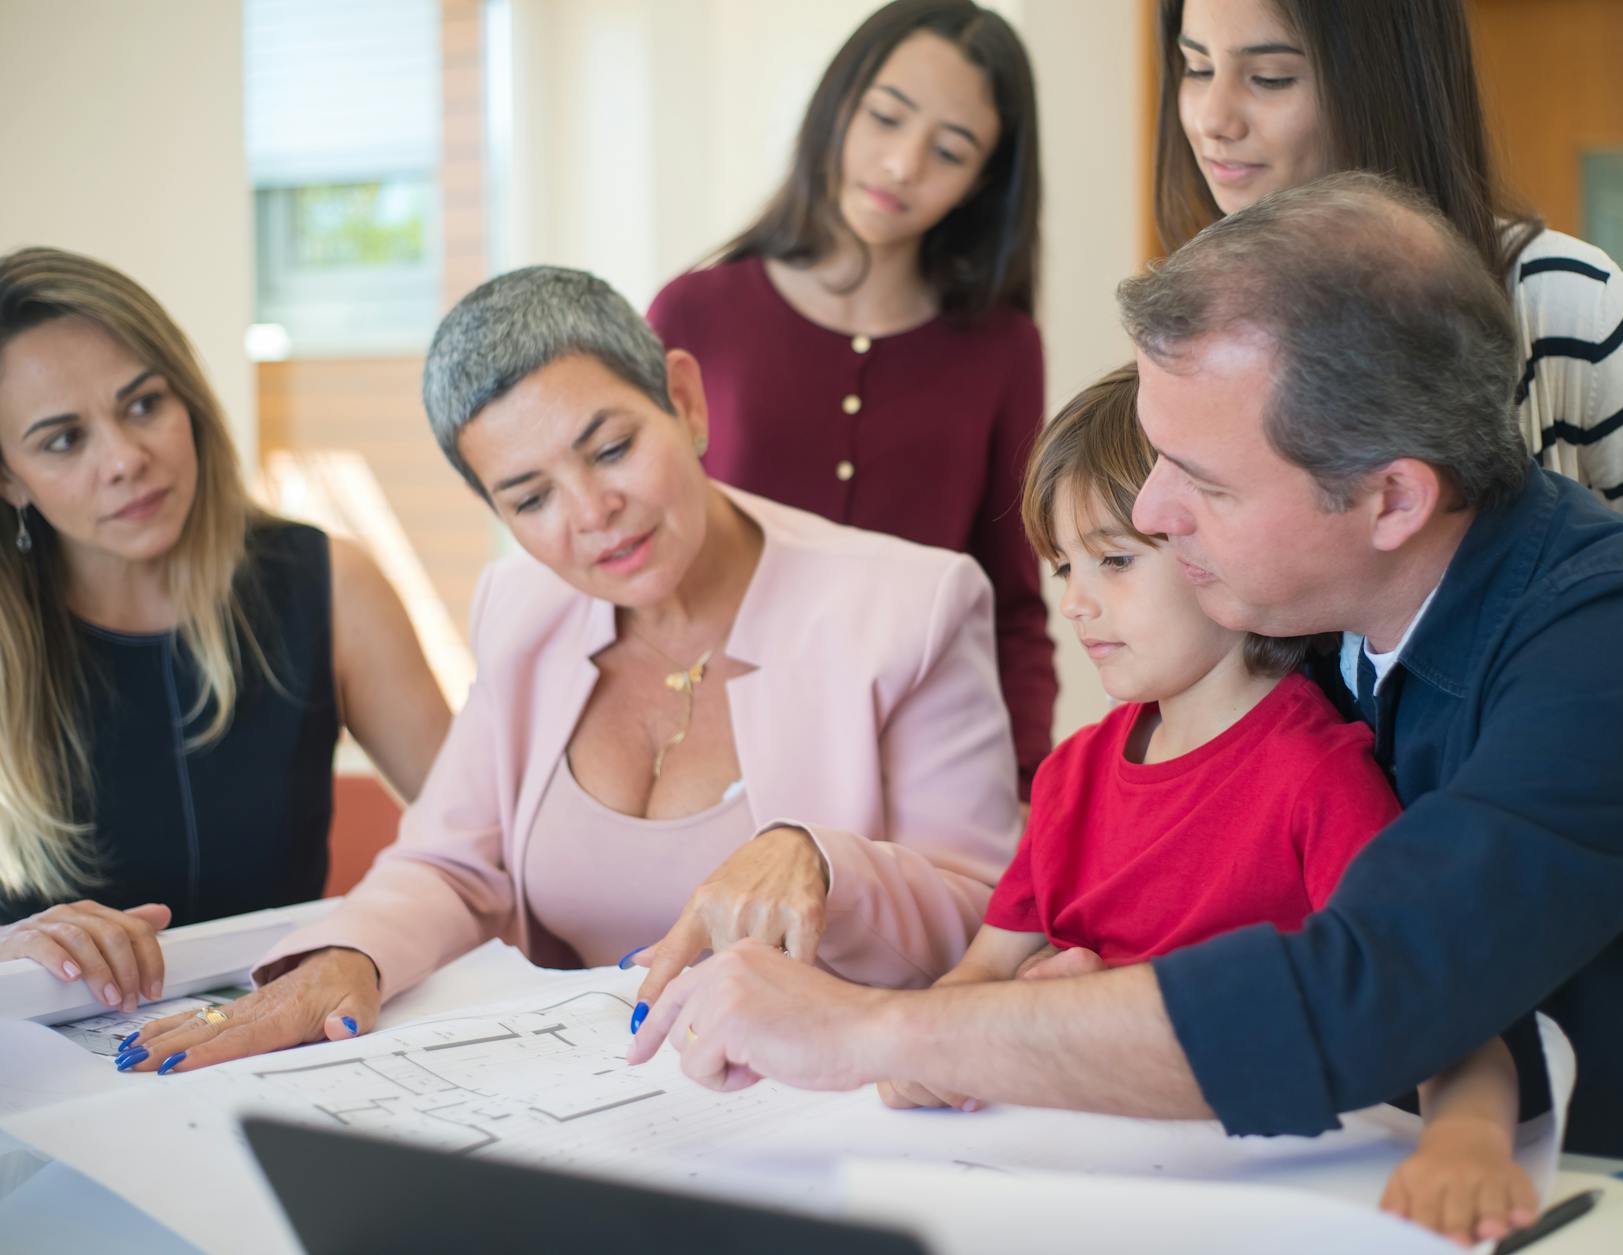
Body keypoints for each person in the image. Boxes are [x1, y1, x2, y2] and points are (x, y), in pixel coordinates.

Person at [625, 176, 1623, 1181]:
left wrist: (861, 1030)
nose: (1158, 513)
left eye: (1203, 482)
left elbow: (1362, 991)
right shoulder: (1324, 618)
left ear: (1391, 495)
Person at [121, 264, 1022, 1077]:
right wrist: (345, 959)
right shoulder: (522, 607)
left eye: (611, 448)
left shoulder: (915, 604)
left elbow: (984, 922)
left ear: (685, 401)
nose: (593, 513)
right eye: (531, 496)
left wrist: (821, 860)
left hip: (816, 1098)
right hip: (577, 1102)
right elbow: (448, 862)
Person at [875, 366, 1533, 1244]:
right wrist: (924, 1047)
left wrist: (1465, 1143)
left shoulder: (1317, 776)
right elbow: (977, 977)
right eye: (1065, 566)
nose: (1075, 602)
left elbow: (1444, 1017)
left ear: (1212, 543)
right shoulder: (1071, 776)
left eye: (1114, 560)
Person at [1149, 0, 1623, 768]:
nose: (1212, 117)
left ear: (1383, 86)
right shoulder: (1188, 333)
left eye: (1269, 77)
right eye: (1196, 67)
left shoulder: (1556, 298)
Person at [0, 247, 449, 1020]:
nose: (127, 459)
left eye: (143, 404)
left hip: (289, 1050)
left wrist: (366, 942)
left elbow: (482, 843)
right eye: (63, 440)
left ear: (190, 402)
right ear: (8, 477)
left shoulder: (332, 581)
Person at [646, 0, 1056, 795]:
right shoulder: (695, 312)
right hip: (712, 749)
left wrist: (1025, 784)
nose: (902, 164)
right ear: (839, 105)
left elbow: (1011, 600)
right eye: (886, 117)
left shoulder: (1001, 349)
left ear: (983, 181)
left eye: (950, 149)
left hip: (926, 759)